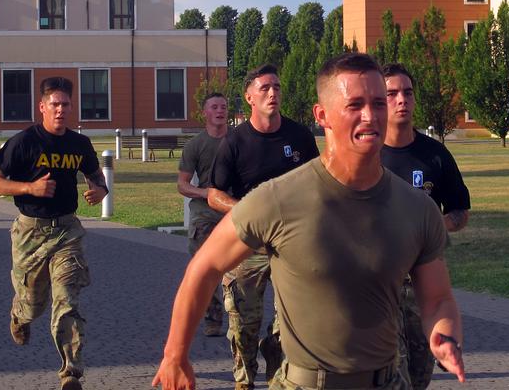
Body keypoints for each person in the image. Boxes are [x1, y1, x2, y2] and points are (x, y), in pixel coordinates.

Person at [153, 53, 465, 390]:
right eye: (355, 105)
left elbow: (437, 299)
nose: (370, 116)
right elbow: (205, 267)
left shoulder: (417, 208)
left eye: (378, 103)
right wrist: (175, 355)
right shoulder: (278, 199)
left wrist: (444, 333)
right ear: (323, 115)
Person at [0, 77, 108, 390]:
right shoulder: (24, 142)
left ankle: (71, 372)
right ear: (42, 107)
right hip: (30, 232)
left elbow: (96, 176)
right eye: (54, 104)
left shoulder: (79, 144)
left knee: (67, 300)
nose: (60, 110)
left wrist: (100, 191)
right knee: (33, 303)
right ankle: (20, 316)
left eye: (65, 104)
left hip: (67, 230)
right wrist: (29, 187)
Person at [207, 64, 319, 389]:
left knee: (290, 323)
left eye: (277, 87)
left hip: (291, 246)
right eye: (265, 88)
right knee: (243, 326)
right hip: (248, 245)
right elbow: (214, 194)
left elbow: (317, 183)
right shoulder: (234, 141)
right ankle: (244, 379)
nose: (273, 93)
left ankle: (278, 375)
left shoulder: (299, 137)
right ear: (249, 97)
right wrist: (246, 209)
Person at [380, 63, 471, 389]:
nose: (401, 100)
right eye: (392, 94)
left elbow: (460, 211)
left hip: (422, 281)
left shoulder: (435, 155)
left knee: (419, 375)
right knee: (390, 372)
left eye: (407, 92)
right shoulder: (365, 154)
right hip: (378, 284)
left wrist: (432, 227)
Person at [177, 92, 229, 337]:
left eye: (223, 106)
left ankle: (242, 311)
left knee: (240, 266)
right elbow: (182, 184)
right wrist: (205, 193)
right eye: (214, 107)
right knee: (205, 266)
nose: (220, 111)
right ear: (205, 113)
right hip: (205, 211)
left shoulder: (239, 140)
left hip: (234, 208)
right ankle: (213, 316)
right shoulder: (195, 145)